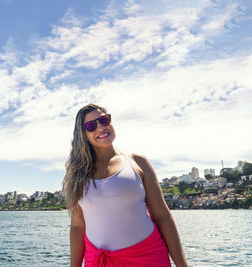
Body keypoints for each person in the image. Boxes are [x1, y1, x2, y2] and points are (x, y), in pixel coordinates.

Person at [62, 104, 188, 267]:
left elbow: (162, 215)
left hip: (147, 257)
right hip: (99, 261)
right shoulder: (77, 174)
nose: (101, 127)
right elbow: (78, 227)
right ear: (83, 135)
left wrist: (182, 265)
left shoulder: (136, 161)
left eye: (104, 120)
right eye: (91, 126)